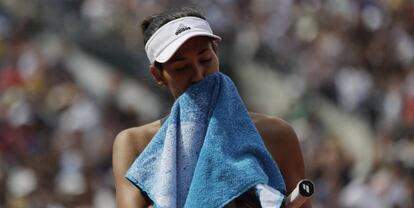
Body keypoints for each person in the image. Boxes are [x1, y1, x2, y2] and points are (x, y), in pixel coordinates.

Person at [112, 7, 311, 208]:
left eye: (205, 59)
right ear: (157, 75)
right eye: (181, 68)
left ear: (216, 52)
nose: (198, 75)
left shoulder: (277, 134)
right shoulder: (134, 144)